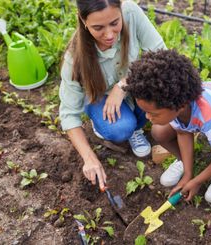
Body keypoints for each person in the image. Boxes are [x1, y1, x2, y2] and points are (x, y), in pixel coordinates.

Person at [125, 50, 211, 203]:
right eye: (146, 112)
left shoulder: (209, 115)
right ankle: (185, 162)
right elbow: (183, 133)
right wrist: (189, 174)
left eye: (153, 113)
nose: (148, 118)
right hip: (202, 112)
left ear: (180, 106)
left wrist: (197, 181)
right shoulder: (175, 102)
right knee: (159, 132)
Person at [59, 0, 166, 190]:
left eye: (115, 23)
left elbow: (161, 54)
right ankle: (111, 123)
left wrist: (122, 85)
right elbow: (68, 115)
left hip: (130, 82)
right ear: (83, 20)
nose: (109, 35)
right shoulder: (74, 58)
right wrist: (90, 159)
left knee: (160, 88)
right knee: (120, 129)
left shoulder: (131, 12)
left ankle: (136, 123)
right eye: (98, 27)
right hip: (99, 95)